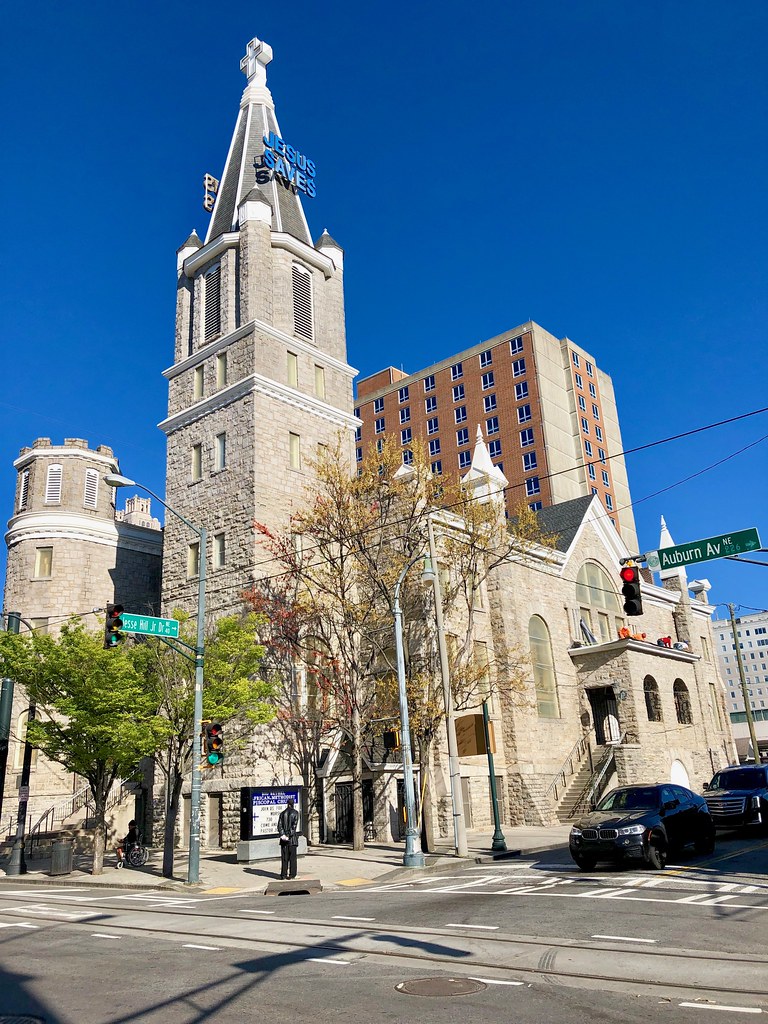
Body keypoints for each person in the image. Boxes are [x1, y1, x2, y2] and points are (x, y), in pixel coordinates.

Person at [277, 799, 300, 880]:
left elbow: (279, 826)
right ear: (293, 804)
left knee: (284, 857)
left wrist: (283, 835)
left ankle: (283, 874)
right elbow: (294, 826)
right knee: (292, 858)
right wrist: (288, 835)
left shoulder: (282, 813)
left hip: (283, 839)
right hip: (292, 839)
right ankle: (292, 874)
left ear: (287, 804)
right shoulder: (295, 813)